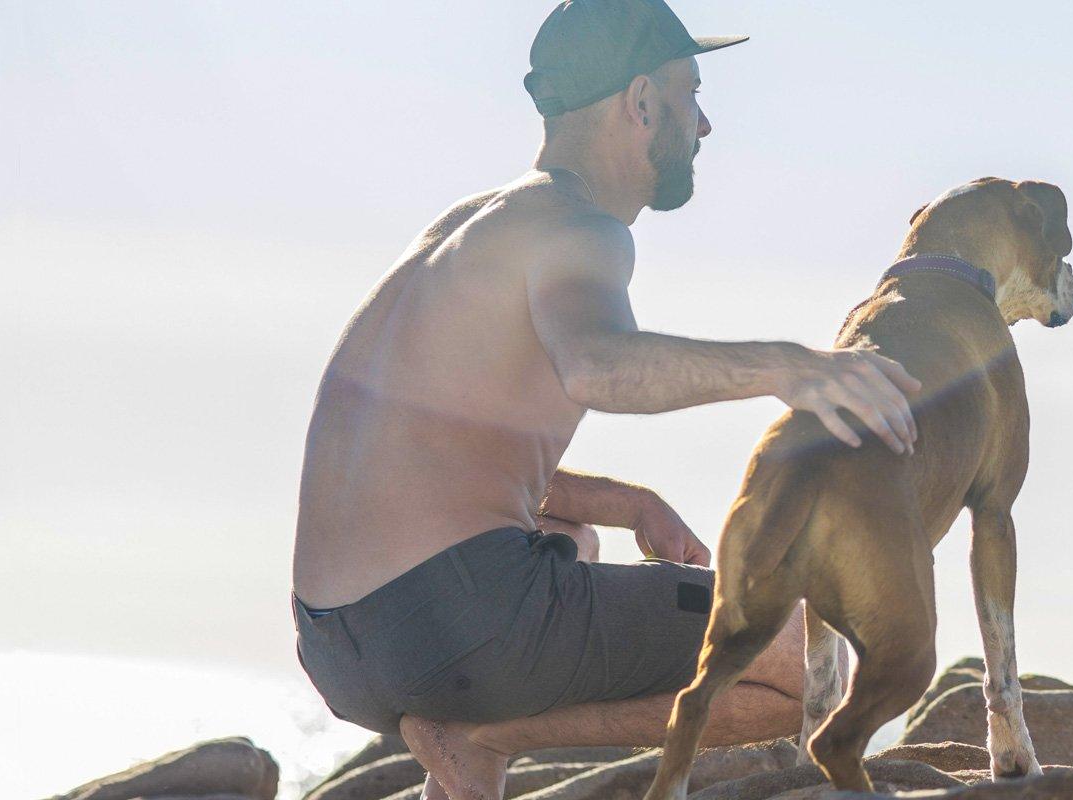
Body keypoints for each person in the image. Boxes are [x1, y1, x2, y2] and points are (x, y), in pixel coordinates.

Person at [287, 2, 918, 798]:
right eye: (693, 94)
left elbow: (423, 455)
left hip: (336, 645)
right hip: (457, 626)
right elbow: (599, 368)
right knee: (794, 653)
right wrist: (793, 368)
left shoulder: (466, 232)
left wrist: (628, 501)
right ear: (643, 103)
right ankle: (480, 735)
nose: (707, 124)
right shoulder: (579, 228)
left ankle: (461, 738)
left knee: (574, 535)